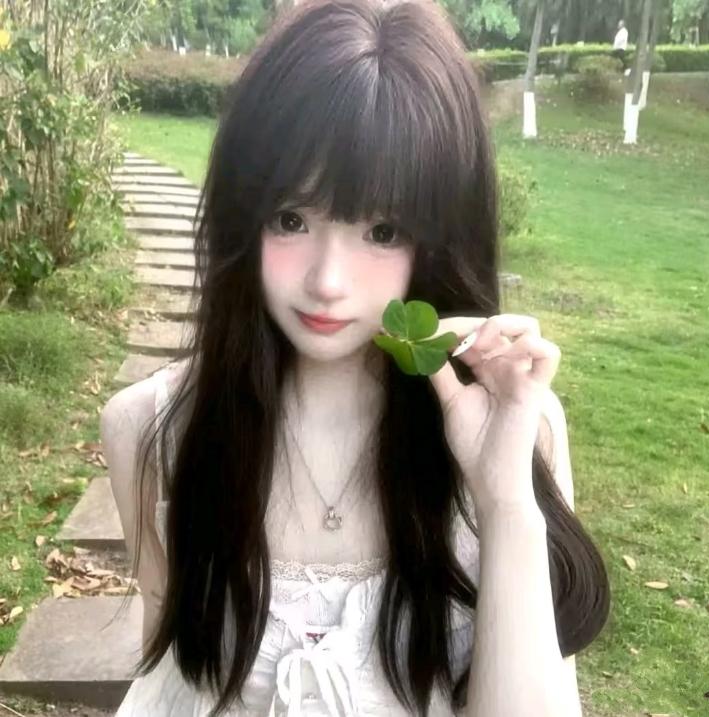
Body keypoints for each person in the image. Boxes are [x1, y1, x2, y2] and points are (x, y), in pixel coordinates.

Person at [101, 0, 611, 714]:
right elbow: (174, 684)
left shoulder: (522, 429)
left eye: (382, 230)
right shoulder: (151, 432)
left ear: (440, 239)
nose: (328, 281)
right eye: (290, 218)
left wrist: (503, 502)